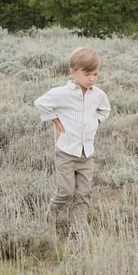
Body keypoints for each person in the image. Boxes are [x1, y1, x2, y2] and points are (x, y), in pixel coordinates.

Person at [33, 47, 112, 234]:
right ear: (72, 71)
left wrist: (95, 121)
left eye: (95, 74)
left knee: (83, 193)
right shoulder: (62, 93)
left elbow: (105, 110)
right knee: (66, 191)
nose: (91, 79)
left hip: (87, 154)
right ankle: (49, 219)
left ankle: (79, 228)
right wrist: (54, 119)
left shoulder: (97, 95)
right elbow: (40, 103)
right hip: (66, 152)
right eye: (87, 74)